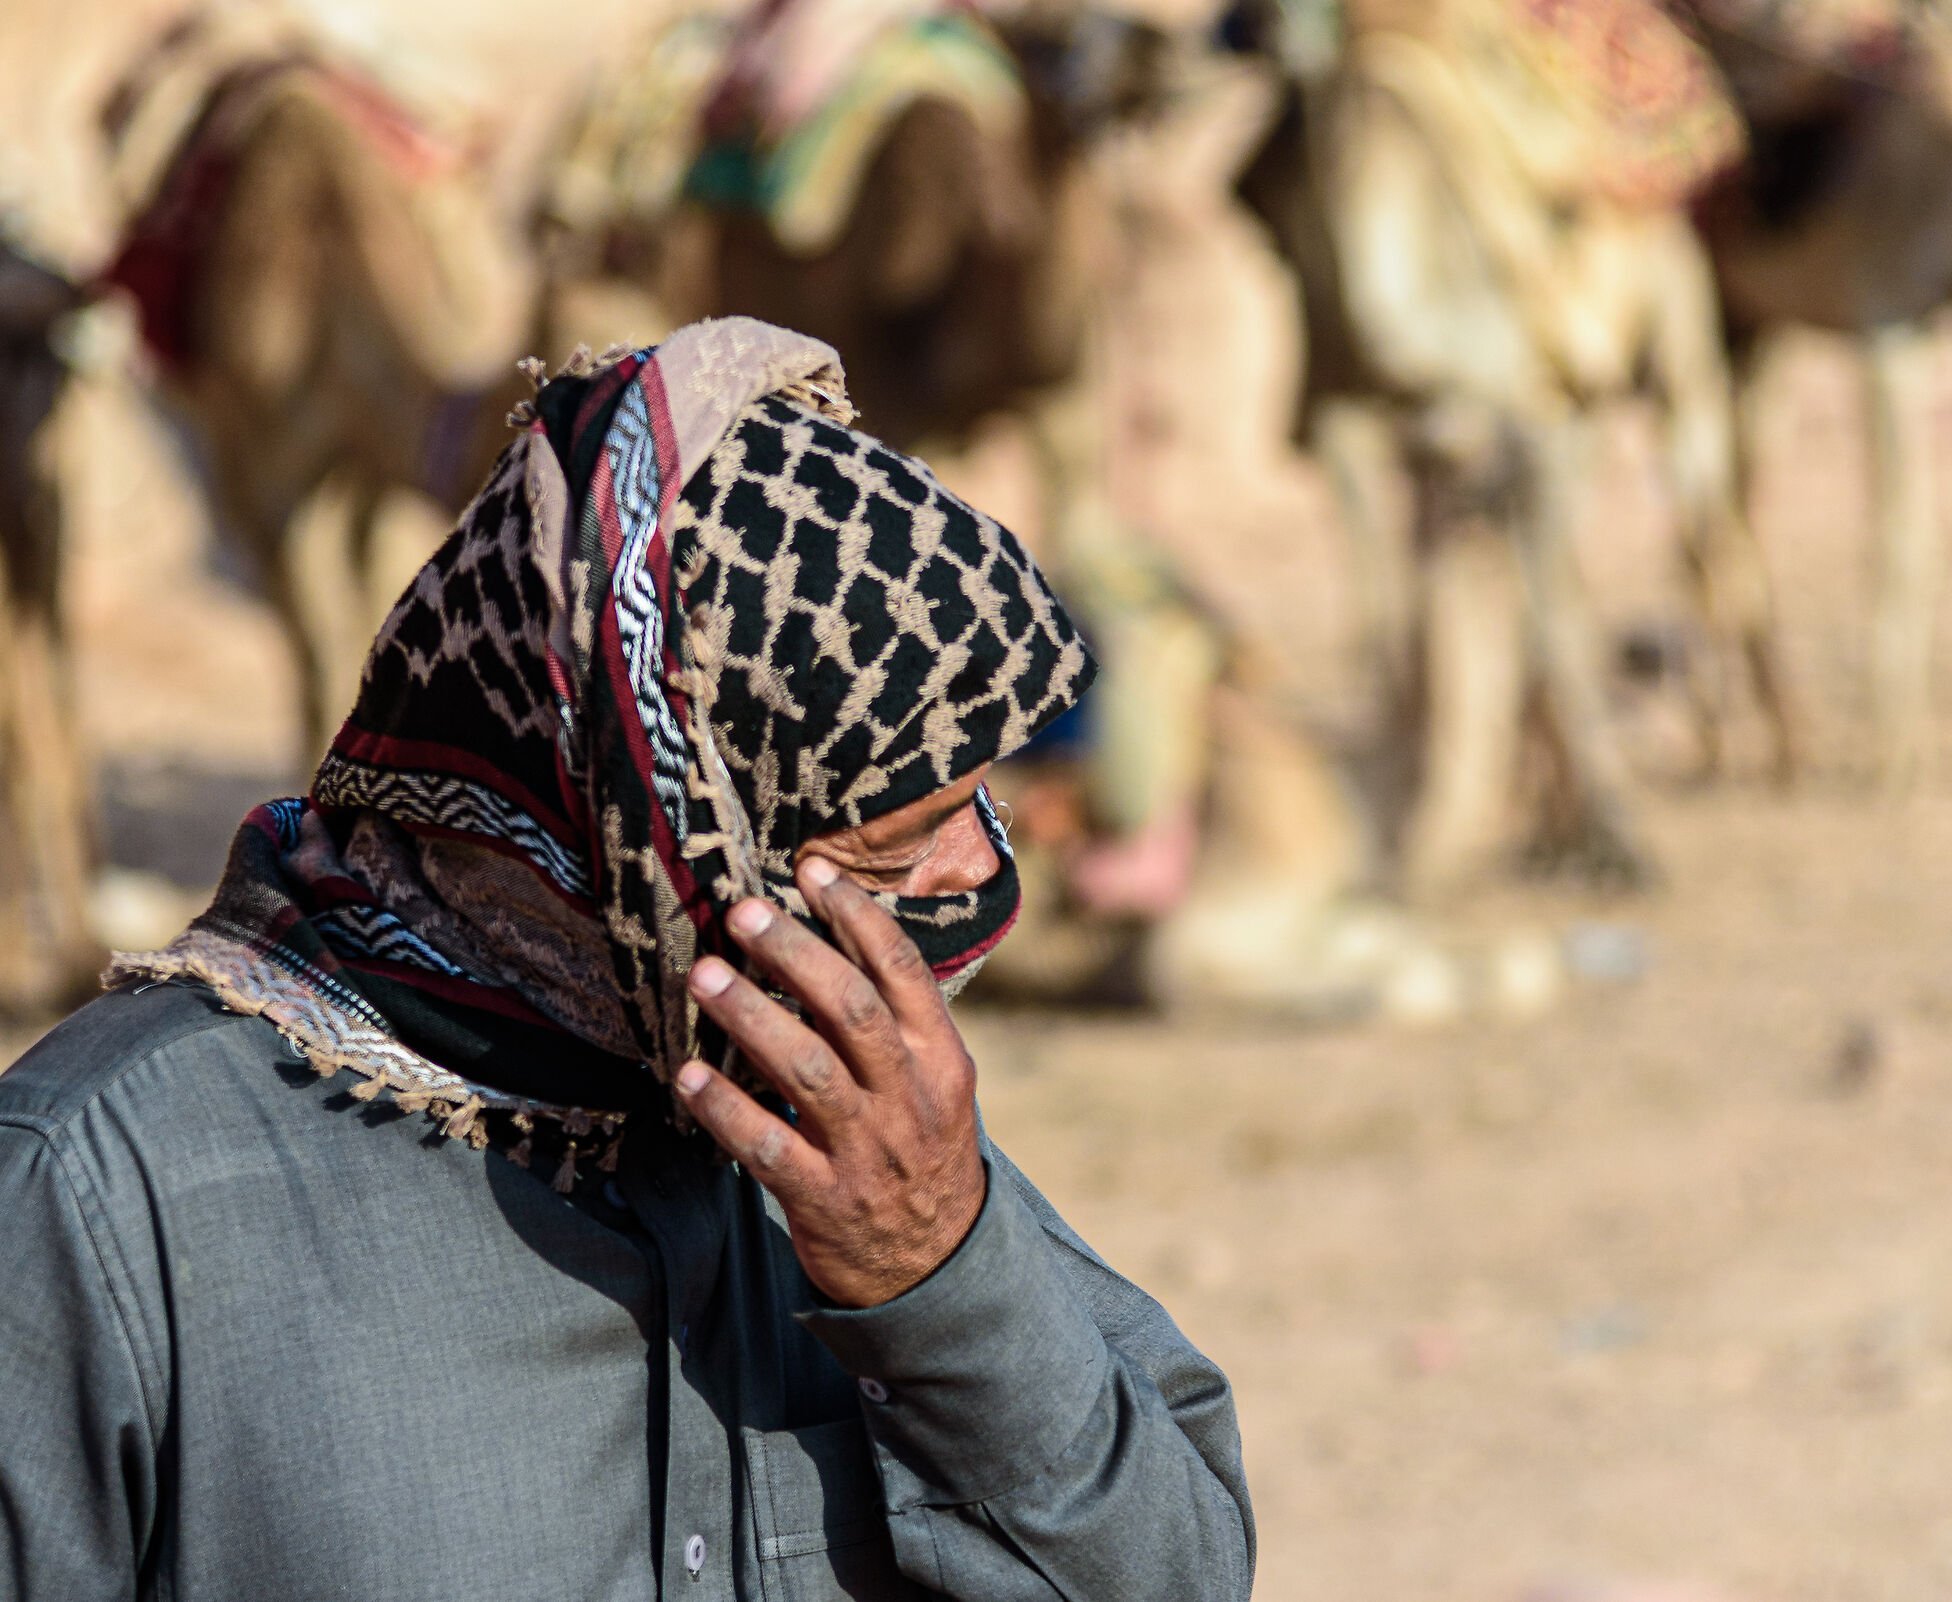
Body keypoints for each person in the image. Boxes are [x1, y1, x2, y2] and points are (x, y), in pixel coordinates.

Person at [0, 317, 1253, 1601]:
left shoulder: (855, 1144)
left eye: (980, 806)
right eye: (899, 844)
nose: (980, 873)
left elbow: (1179, 1574)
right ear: (665, 838)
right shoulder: (99, 1196)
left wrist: (934, 1289)